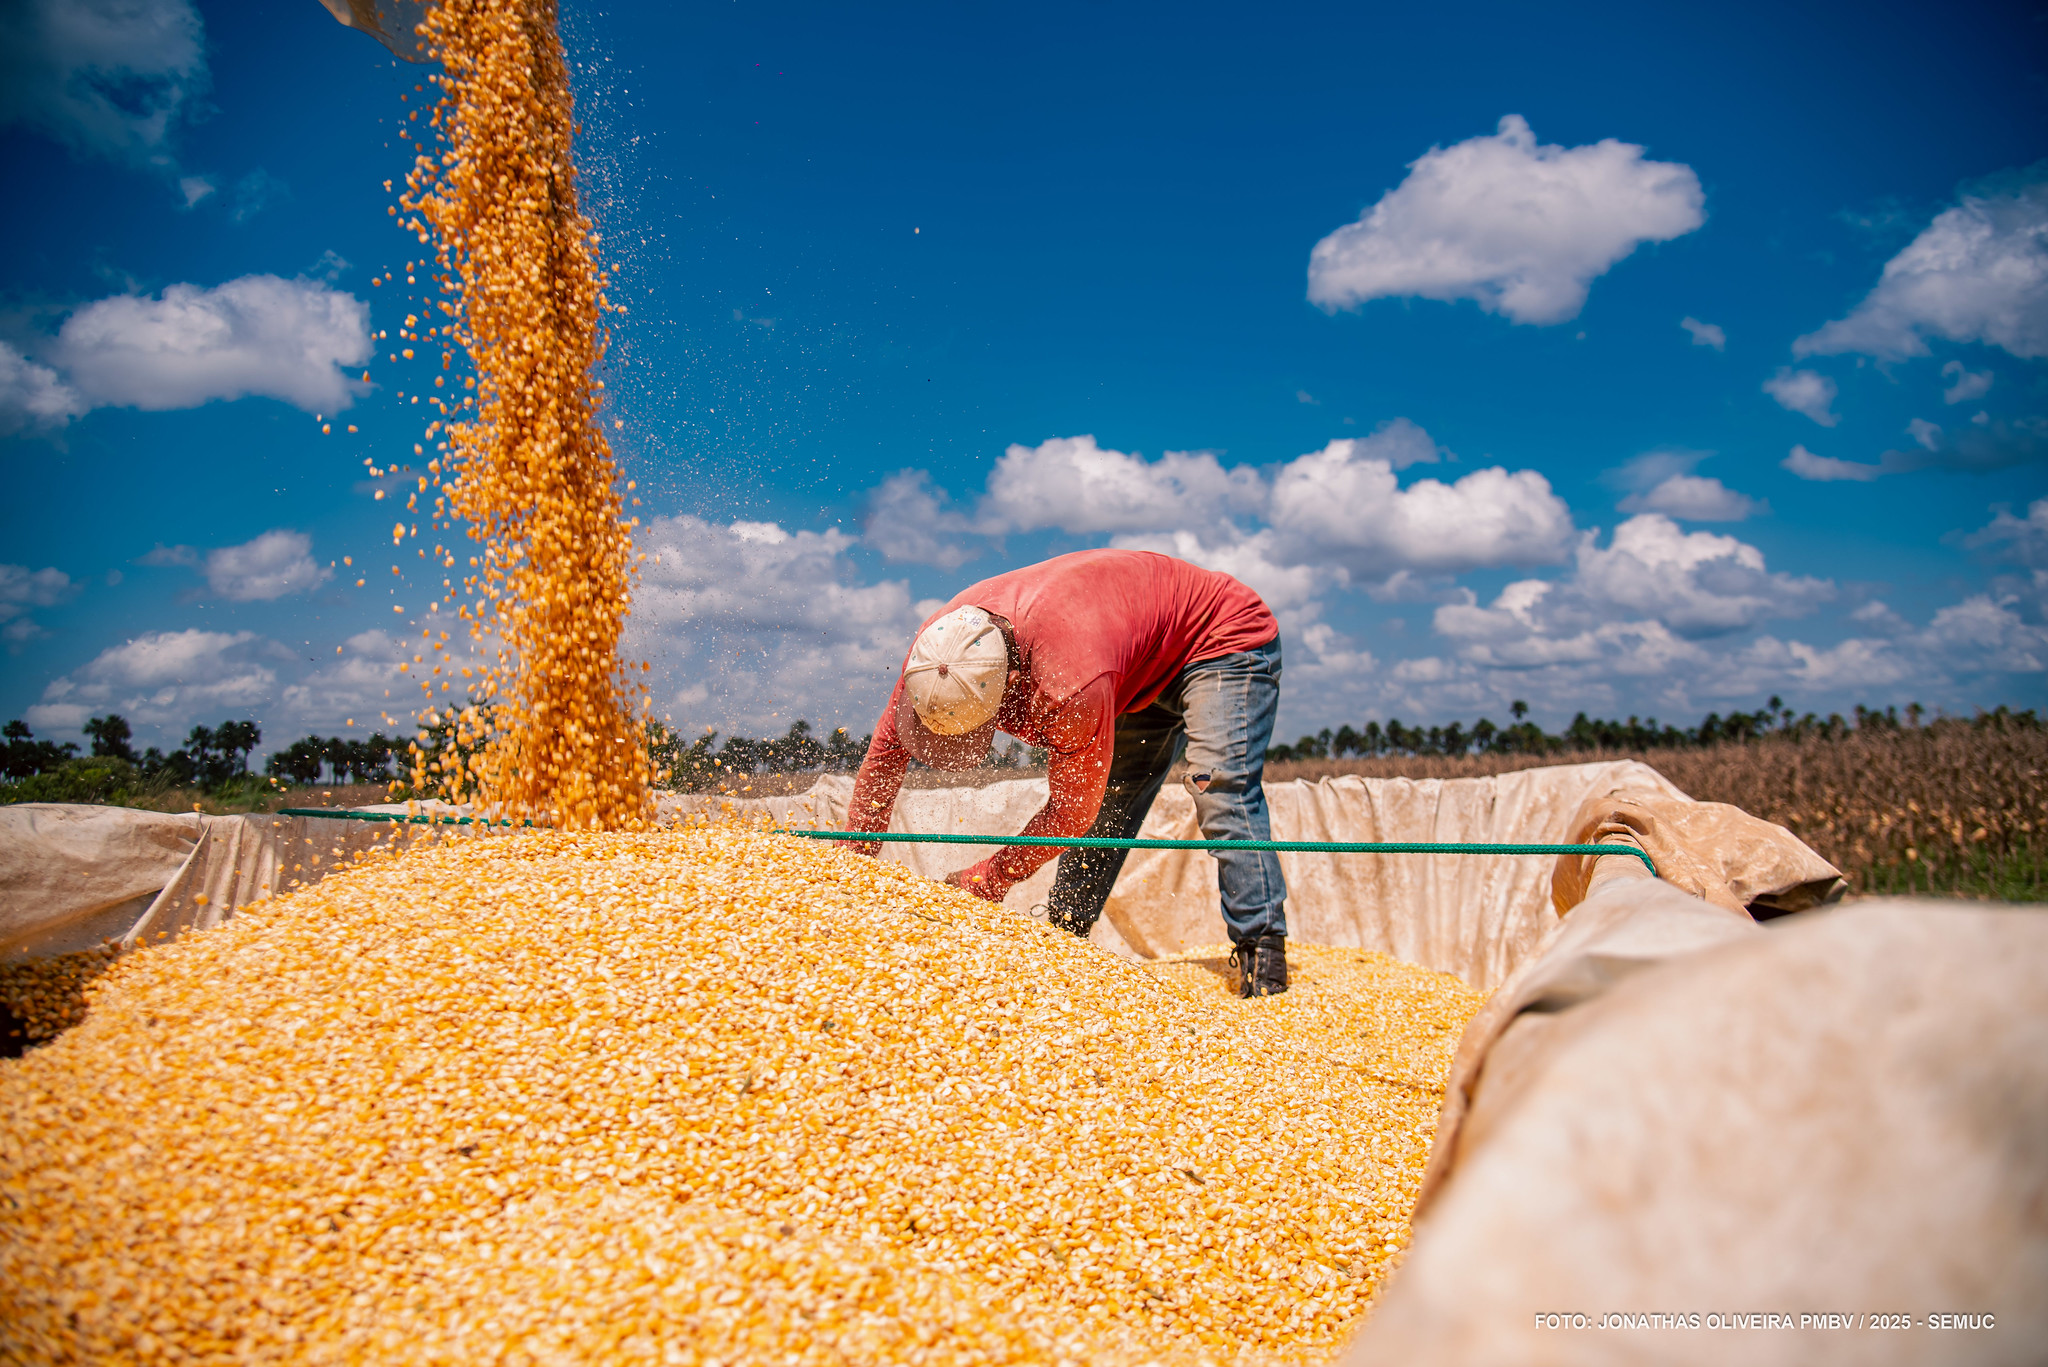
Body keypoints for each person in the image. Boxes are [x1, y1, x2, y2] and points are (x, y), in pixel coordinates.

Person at [845, 548, 1290, 996]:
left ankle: (1263, 952)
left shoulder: (1068, 681)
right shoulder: (938, 649)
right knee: (1113, 801)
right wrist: (854, 863)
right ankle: (1067, 937)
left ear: (1012, 688)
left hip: (1220, 639)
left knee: (1219, 788)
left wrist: (988, 878)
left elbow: (1071, 814)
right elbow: (886, 750)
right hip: (1130, 658)